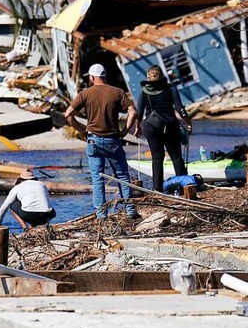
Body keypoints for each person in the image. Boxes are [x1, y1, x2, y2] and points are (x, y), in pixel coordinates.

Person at [64, 63, 139, 220]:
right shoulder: (117, 92)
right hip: (113, 140)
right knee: (123, 176)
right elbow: (133, 112)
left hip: (93, 140)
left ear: (91, 78)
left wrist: (81, 130)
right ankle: (130, 210)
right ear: (105, 77)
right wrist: (125, 131)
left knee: (97, 178)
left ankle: (101, 214)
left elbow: (68, 114)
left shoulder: (85, 94)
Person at [134, 65, 192, 192]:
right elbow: (180, 109)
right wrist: (188, 123)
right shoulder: (171, 88)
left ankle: (157, 189)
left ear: (148, 78)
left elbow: (139, 113)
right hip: (170, 125)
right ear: (161, 76)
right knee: (176, 155)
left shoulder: (144, 91)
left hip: (150, 126)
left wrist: (137, 127)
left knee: (157, 157)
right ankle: (183, 186)